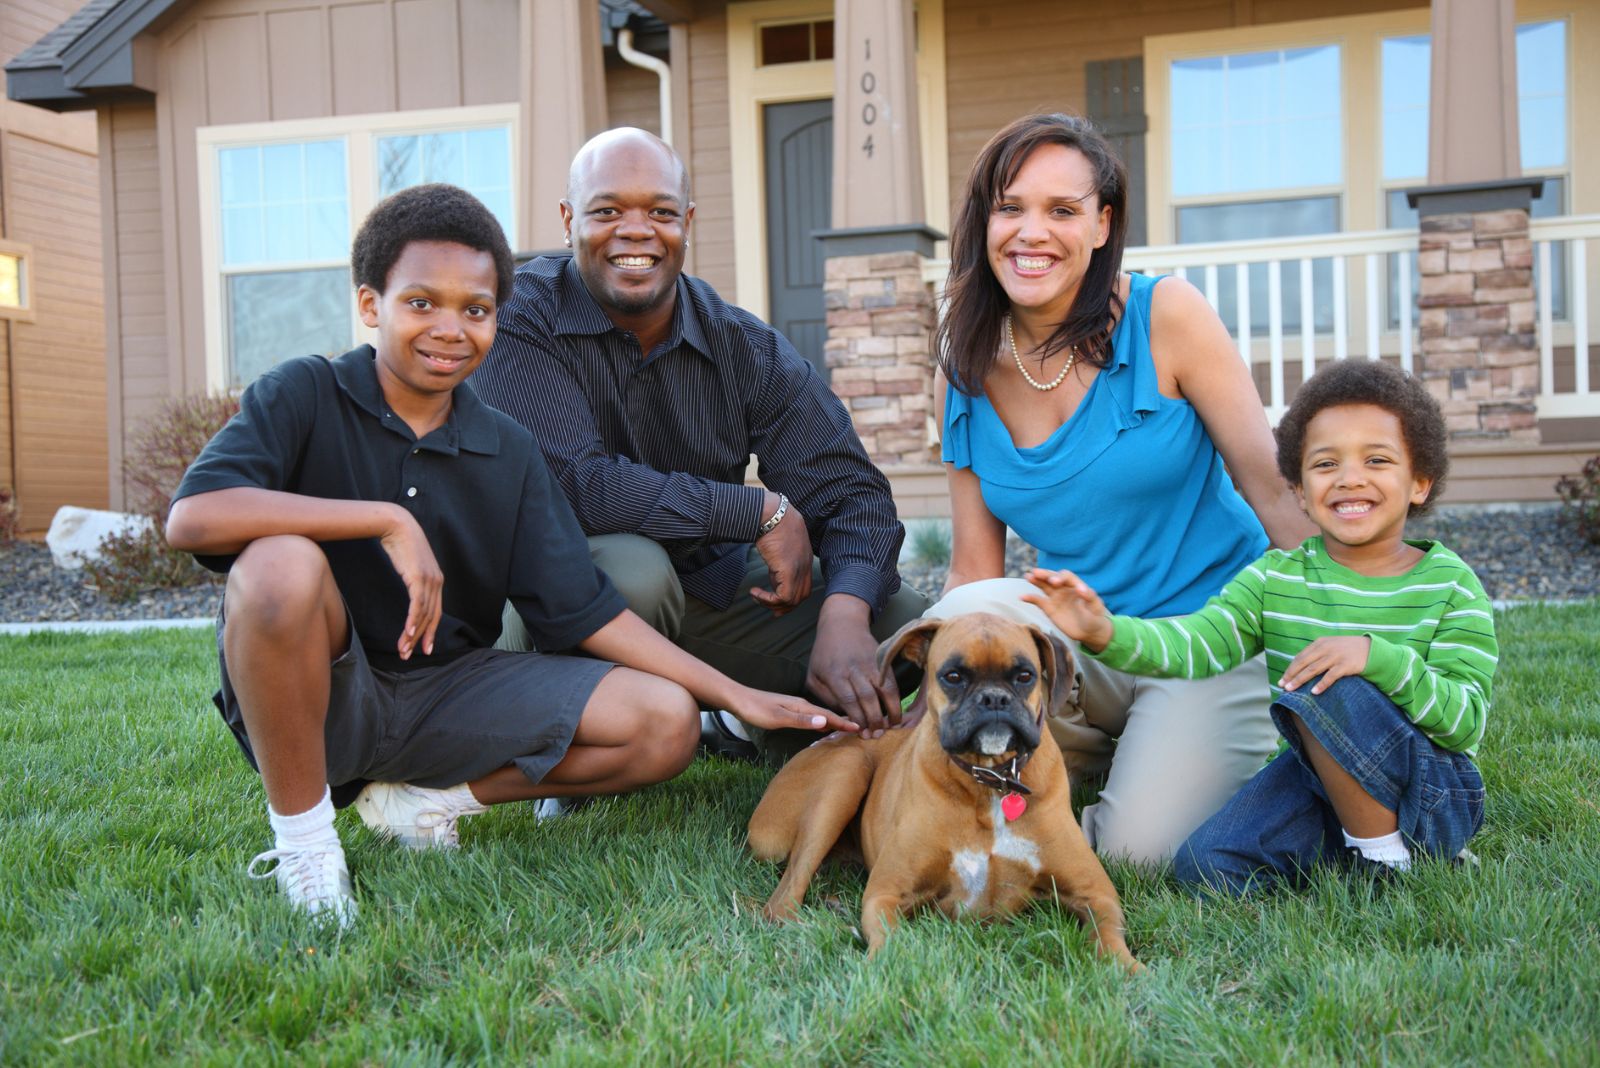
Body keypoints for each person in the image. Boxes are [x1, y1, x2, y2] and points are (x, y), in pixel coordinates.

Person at [165, 184, 854, 925]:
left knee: (665, 720)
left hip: (448, 696)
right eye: (421, 303)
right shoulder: (305, 393)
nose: (449, 329)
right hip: (322, 701)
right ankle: (305, 845)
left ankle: (427, 804)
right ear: (371, 305)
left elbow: (586, 611)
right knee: (279, 565)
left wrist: (733, 696)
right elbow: (194, 518)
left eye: (476, 309)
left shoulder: (507, 446)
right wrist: (384, 520)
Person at [923, 113, 1317, 863]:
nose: (1030, 232)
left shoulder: (1166, 315)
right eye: (1010, 207)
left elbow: (1271, 489)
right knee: (973, 608)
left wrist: (1340, 622)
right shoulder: (965, 366)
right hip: (1085, 645)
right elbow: (974, 567)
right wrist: (922, 709)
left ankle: (1134, 766)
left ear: (1102, 225)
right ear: (983, 223)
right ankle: (1087, 755)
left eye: (1062, 210)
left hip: (1208, 639)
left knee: (1138, 849)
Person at [473, 127, 928, 758]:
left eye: (660, 212)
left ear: (687, 222)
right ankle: (583, 748)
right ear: (568, 219)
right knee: (635, 572)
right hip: (552, 596)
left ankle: (753, 725)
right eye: (607, 211)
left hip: (701, 586)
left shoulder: (742, 344)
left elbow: (850, 490)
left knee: (900, 623)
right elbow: (572, 488)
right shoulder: (519, 316)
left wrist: (846, 615)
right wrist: (755, 510)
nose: (636, 231)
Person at [1023, 358, 1495, 894]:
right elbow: (1197, 644)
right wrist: (1105, 631)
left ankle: (1388, 862)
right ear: (1298, 489)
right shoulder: (1276, 577)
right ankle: (1350, 852)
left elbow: (1465, 721)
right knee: (1205, 865)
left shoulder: (1450, 585)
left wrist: (1376, 658)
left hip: (1431, 790)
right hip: (1313, 784)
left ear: (1420, 482)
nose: (1350, 478)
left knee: (1335, 683)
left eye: (1378, 460)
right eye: (1325, 465)